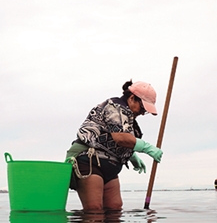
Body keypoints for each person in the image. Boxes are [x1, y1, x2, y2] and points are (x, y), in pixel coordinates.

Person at [65, 80, 162, 211]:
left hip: (111, 165)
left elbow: (113, 137)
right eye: (143, 108)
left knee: (115, 208)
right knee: (94, 210)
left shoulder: (129, 119)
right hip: (90, 160)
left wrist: (131, 155)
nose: (142, 113)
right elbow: (121, 137)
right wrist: (146, 147)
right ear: (132, 98)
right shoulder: (115, 107)